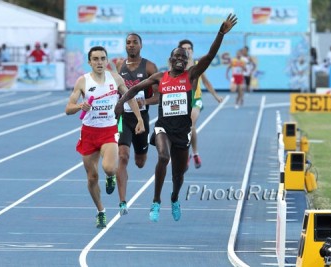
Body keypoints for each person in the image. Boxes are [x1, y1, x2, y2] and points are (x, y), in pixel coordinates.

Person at [115, 14, 237, 222]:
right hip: (163, 127)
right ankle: (155, 201)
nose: (180, 60)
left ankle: (174, 197)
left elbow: (209, 55)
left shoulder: (190, 75)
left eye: (184, 57)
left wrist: (220, 34)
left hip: (183, 131)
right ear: (170, 60)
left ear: (187, 61)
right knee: (163, 157)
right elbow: (134, 89)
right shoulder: (160, 77)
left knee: (179, 174)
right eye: (176, 57)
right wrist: (120, 103)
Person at [65, 46, 145, 229]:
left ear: (107, 60)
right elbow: (68, 108)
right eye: (96, 59)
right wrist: (80, 107)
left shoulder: (115, 78)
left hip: (109, 129)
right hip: (89, 133)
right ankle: (101, 211)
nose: (99, 62)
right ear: (89, 62)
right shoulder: (82, 81)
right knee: (92, 177)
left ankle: (111, 177)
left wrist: (139, 118)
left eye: (102, 58)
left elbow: (130, 97)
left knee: (109, 168)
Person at [114, 33, 159, 215]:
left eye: (134, 43)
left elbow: (158, 96)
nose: (131, 45)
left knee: (140, 162)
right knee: (123, 156)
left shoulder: (149, 67)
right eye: (128, 43)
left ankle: (140, 153)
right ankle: (122, 202)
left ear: (141, 45)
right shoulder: (119, 66)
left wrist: (145, 102)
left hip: (141, 118)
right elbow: (116, 91)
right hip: (124, 118)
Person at [177, 39, 223, 169]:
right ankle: (187, 153)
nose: (187, 50)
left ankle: (194, 153)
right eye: (184, 48)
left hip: (195, 99)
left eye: (189, 48)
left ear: (192, 50)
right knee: (181, 130)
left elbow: (206, 82)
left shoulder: (198, 65)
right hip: (180, 100)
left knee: (190, 125)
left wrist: (216, 96)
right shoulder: (177, 66)